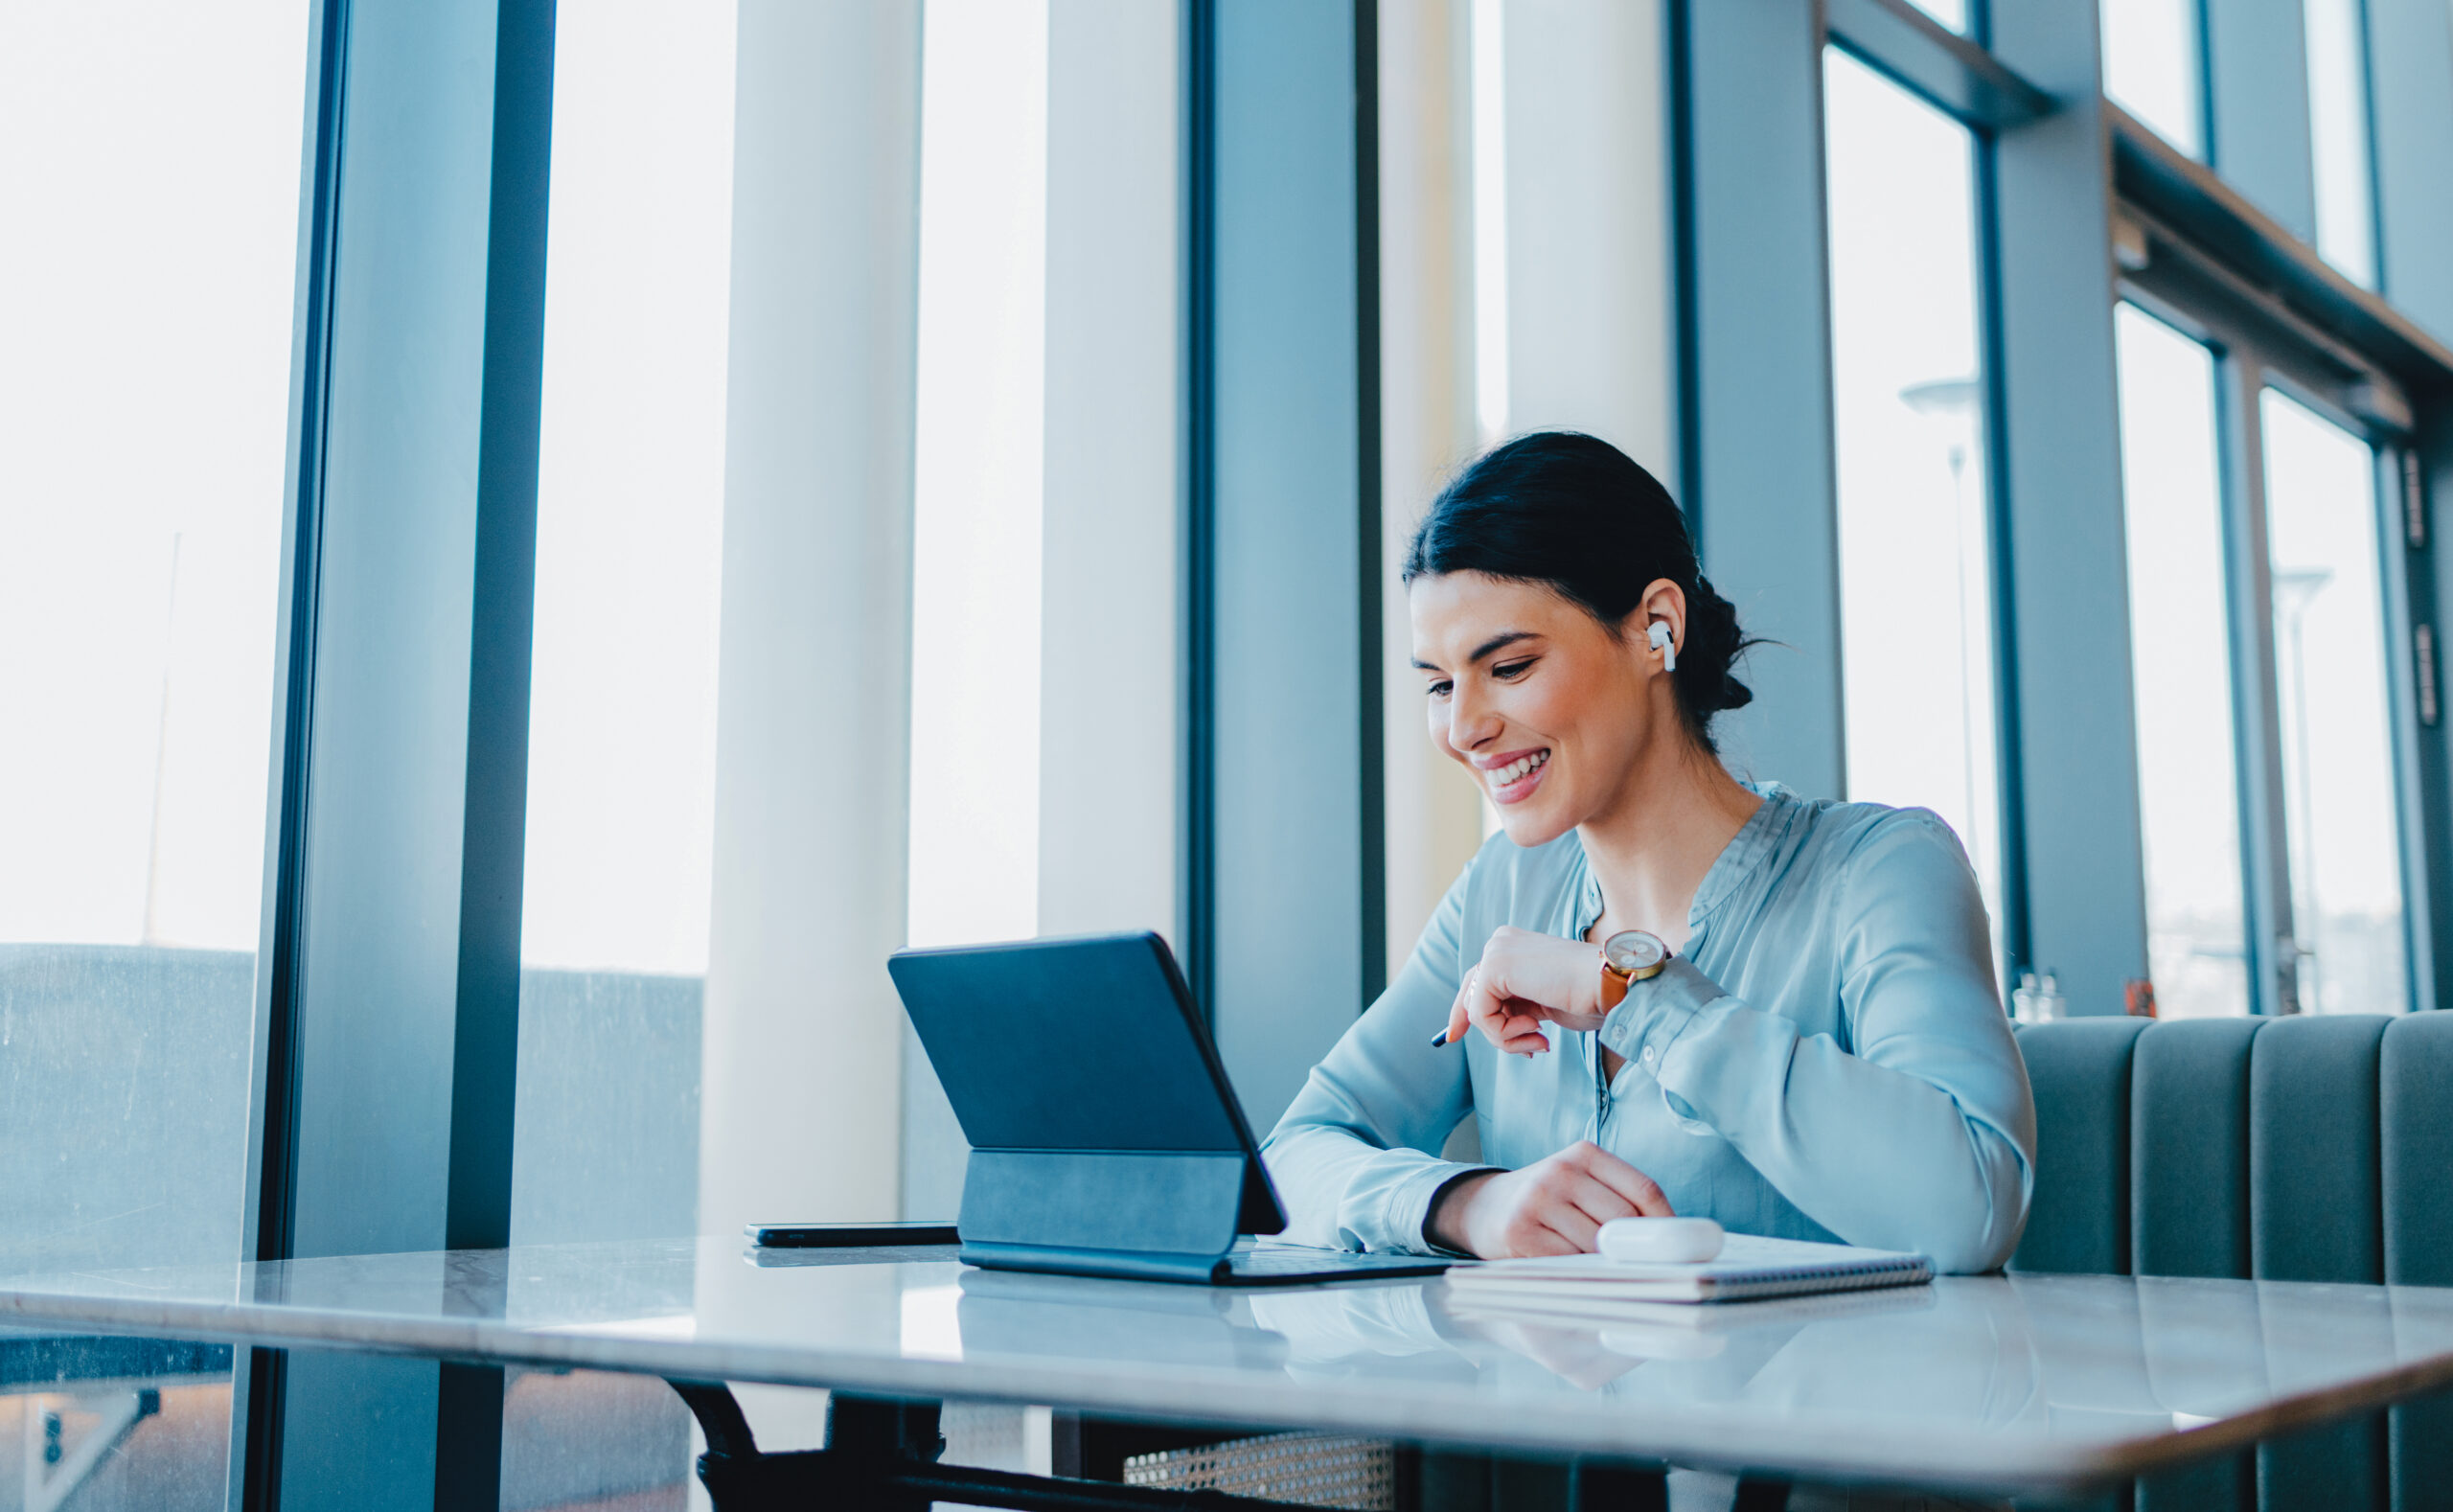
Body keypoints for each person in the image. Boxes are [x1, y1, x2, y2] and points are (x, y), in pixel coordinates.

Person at [1260, 431, 2035, 1274]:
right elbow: (1292, 1156)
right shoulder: (1501, 892)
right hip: (1534, 1408)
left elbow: (1970, 1211)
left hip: (1814, 1401)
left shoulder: (1881, 872)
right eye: (1441, 685)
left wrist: (1637, 994)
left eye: (1509, 666)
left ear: (1656, 628)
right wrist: (1467, 1204)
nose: (1463, 728)